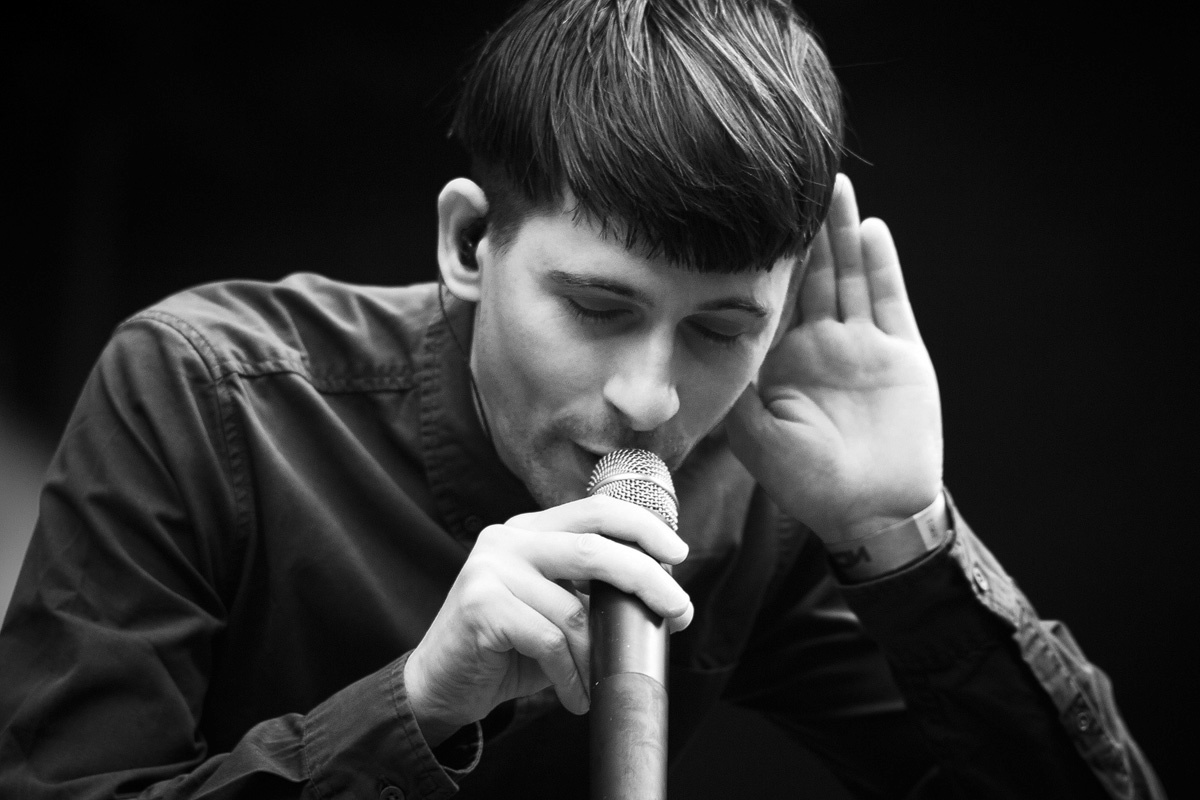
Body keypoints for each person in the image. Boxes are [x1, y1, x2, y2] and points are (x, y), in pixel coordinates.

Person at [0, 1, 1164, 798]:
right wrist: (416, 703)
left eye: (721, 328)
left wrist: (902, 536)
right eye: (600, 307)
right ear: (469, 240)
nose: (649, 397)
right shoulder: (201, 387)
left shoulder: (764, 479)